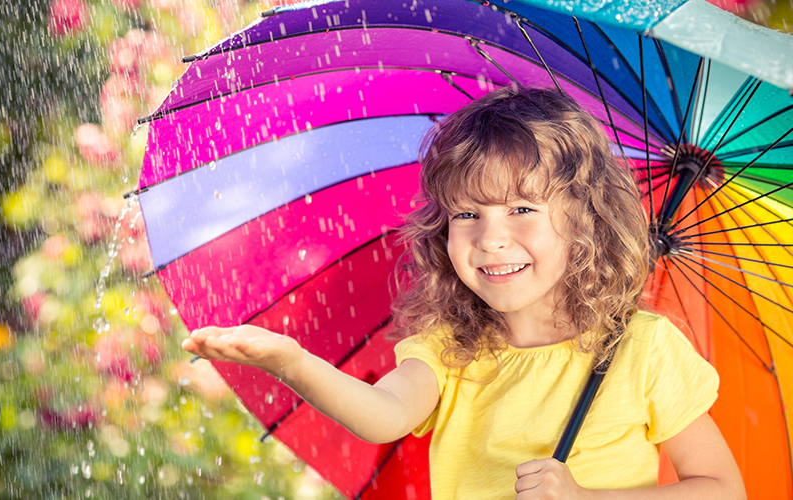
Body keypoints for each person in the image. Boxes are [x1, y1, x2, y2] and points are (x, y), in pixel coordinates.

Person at [181, 87, 746, 499]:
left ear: (585, 222)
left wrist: (585, 498)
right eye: (467, 213)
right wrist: (293, 361)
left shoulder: (642, 350)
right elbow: (383, 416)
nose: (491, 238)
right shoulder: (451, 348)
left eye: (522, 209)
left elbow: (721, 488)